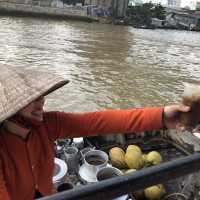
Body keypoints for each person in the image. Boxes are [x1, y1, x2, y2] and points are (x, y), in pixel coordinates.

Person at [0, 65, 190, 200]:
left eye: (39, 95)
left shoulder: (49, 124)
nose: (41, 101)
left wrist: (162, 117)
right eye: (30, 99)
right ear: (11, 111)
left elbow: (99, 122)